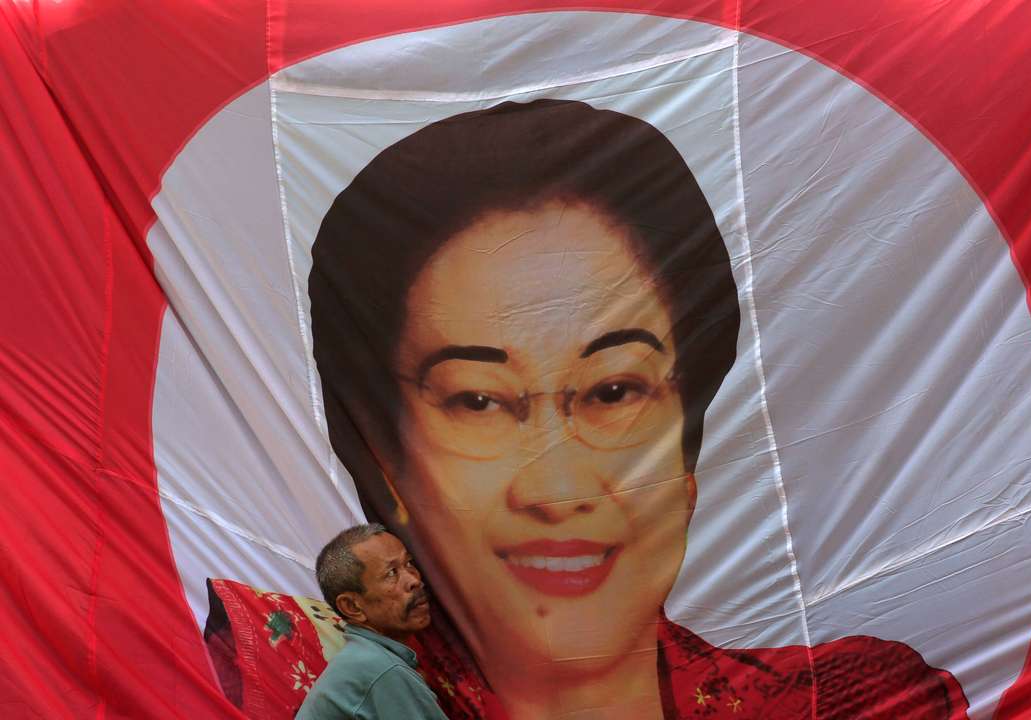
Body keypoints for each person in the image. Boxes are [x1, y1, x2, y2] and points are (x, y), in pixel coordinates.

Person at [309, 99, 968, 719]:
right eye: (479, 400)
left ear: (686, 446)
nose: (558, 487)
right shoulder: (371, 694)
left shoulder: (847, 701)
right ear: (386, 465)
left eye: (613, 391)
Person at [296, 524, 449, 720]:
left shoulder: (368, 659)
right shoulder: (381, 668)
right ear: (352, 606)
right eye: (392, 573)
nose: (413, 580)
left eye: (409, 563)